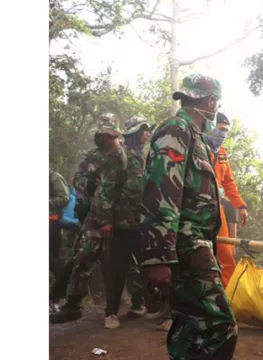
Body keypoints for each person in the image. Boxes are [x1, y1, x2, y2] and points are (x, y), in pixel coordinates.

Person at [140, 74, 237, 359]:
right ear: (210, 102)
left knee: (189, 328)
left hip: (191, 244)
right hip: (184, 245)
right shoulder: (176, 130)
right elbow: (160, 193)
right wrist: (159, 256)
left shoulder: (195, 137)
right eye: (216, 103)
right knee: (220, 326)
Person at [50, 114, 128, 324]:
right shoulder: (93, 155)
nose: (110, 139)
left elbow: (108, 191)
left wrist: (105, 220)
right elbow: (79, 180)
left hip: (107, 218)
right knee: (83, 259)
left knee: (98, 260)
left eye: (113, 134)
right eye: (106, 134)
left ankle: (127, 306)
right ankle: (73, 305)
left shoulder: (117, 156)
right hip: (90, 215)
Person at [100, 115, 154, 329]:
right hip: (121, 224)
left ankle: (144, 306)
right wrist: (106, 221)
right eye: (144, 130)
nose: (147, 134)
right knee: (118, 269)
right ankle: (111, 313)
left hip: (141, 224)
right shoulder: (120, 155)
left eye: (149, 130)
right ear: (134, 131)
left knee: (145, 266)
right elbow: (107, 190)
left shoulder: (144, 158)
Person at [205, 111, 249, 288]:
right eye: (220, 128)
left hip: (217, 207)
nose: (223, 133)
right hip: (195, 207)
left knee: (226, 251)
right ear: (210, 127)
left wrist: (241, 206)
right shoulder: (197, 147)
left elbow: (229, 182)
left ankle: (229, 295)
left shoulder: (222, 153)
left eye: (226, 130)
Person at [49, 169, 70, 277]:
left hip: (51, 222)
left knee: (52, 258)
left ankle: (62, 285)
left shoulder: (54, 177)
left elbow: (64, 198)